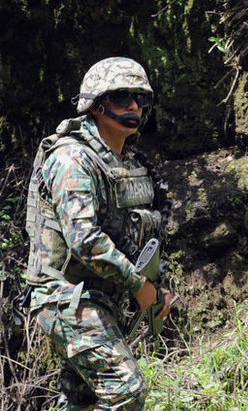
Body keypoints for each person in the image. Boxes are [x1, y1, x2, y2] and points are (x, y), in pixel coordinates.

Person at [24, 56, 174, 409]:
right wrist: (139, 285)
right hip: (65, 298)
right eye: (122, 97)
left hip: (98, 297)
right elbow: (85, 241)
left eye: (141, 99)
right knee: (127, 391)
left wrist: (157, 284)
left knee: (81, 401)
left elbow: (142, 237)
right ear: (96, 104)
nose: (134, 106)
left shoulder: (128, 163)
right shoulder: (72, 158)